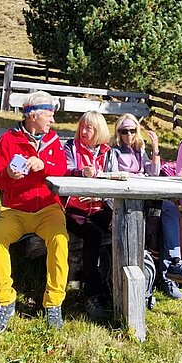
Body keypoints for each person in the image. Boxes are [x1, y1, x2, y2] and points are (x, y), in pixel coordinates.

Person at [0, 91, 68, 333]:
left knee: (60, 241)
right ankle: (4, 301)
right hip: (15, 210)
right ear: (34, 115)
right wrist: (8, 176)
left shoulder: (53, 141)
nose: (52, 121)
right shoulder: (8, 141)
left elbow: (62, 170)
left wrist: (45, 166)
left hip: (48, 209)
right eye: (49, 115)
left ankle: (53, 304)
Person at [109, 114, 182, 300]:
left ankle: (175, 262)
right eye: (124, 131)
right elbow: (112, 176)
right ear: (118, 133)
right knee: (159, 218)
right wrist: (136, 177)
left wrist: (156, 148)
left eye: (132, 130)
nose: (128, 134)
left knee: (169, 208)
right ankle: (165, 277)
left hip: (145, 197)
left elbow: (153, 172)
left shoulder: (139, 150)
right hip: (125, 201)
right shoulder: (114, 151)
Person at [64, 111, 112, 320]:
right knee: (93, 235)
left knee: (122, 226)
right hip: (73, 206)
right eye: (81, 126)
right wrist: (81, 173)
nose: (83, 131)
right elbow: (63, 171)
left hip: (99, 203)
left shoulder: (108, 152)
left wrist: (97, 195)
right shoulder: (70, 147)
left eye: (89, 128)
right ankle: (92, 292)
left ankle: (119, 283)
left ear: (99, 130)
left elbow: (114, 179)